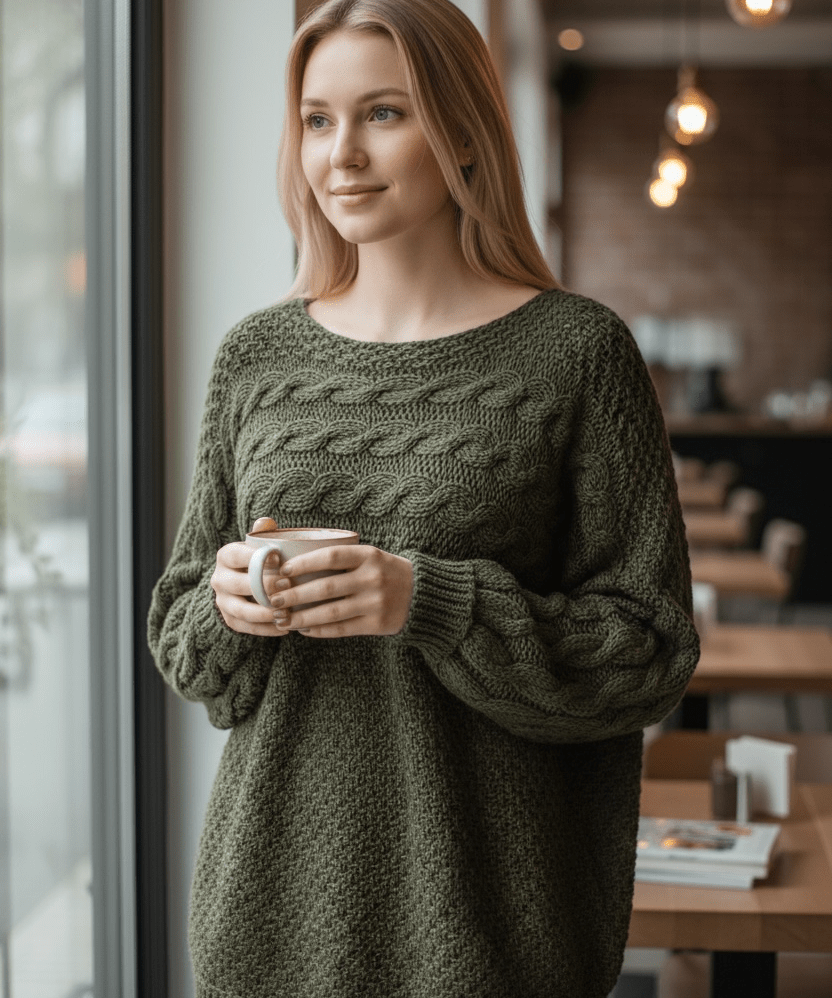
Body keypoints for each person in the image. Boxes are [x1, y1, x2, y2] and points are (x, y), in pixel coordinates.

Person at [148, 1, 700, 996]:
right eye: (317, 119)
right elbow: (192, 651)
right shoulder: (256, 358)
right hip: (264, 920)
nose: (341, 154)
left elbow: (651, 652)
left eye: (383, 114)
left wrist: (428, 600)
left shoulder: (577, 353)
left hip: (490, 930)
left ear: (463, 133)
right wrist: (227, 600)